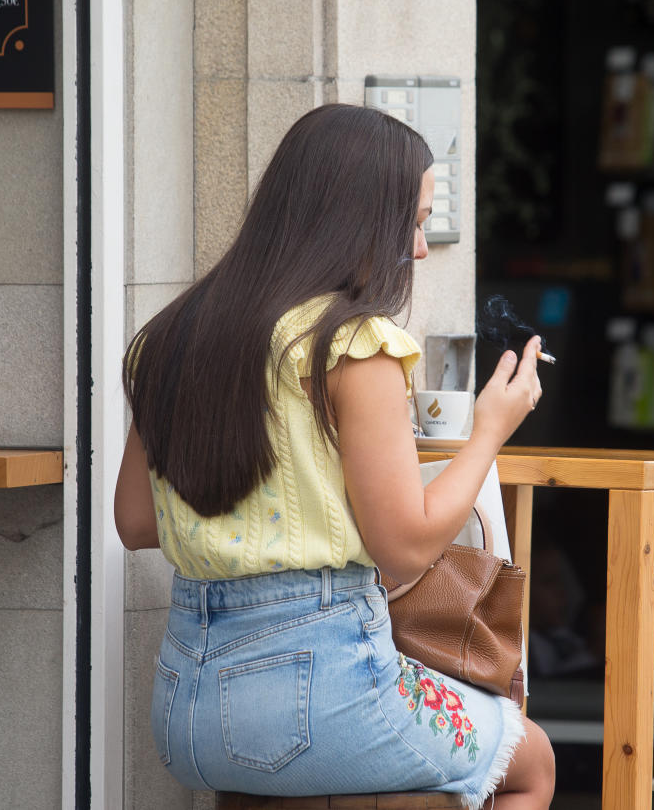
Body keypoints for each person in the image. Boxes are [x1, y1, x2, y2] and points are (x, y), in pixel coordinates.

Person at [113, 104, 553, 808]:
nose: (419, 249)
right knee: (530, 761)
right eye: (412, 221)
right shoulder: (352, 343)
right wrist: (490, 433)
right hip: (320, 701)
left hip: (184, 714)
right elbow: (406, 547)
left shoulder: (173, 336)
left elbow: (134, 521)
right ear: (356, 218)